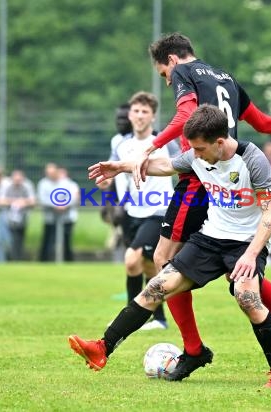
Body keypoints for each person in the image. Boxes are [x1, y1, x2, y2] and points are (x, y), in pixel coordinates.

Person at [72, 105, 271, 387]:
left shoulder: (252, 158)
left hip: (245, 243)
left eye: (200, 149)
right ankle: (102, 348)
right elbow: (166, 165)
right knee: (156, 286)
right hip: (209, 238)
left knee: (246, 296)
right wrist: (120, 168)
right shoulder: (198, 153)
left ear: (219, 141)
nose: (196, 155)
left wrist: (251, 255)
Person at [131, 32, 271, 379]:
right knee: (238, 271)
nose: (167, 81)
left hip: (199, 177)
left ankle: (192, 350)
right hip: (227, 176)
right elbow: (258, 119)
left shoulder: (182, 74)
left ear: (172, 60)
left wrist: (151, 147)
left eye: (163, 75)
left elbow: (185, 114)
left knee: (163, 260)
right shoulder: (225, 78)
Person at [100, 91, 177, 330]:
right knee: (143, 266)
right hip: (131, 212)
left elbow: (183, 165)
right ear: (130, 114)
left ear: (153, 116)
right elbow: (114, 170)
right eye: (136, 111)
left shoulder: (164, 142)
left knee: (132, 259)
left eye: (145, 111)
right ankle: (159, 319)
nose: (140, 115)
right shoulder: (119, 143)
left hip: (159, 210)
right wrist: (105, 183)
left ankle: (130, 317)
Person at [99, 103, 132, 260]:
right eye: (118, 119)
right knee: (129, 248)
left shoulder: (146, 141)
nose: (120, 122)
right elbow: (112, 174)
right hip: (122, 200)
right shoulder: (116, 141)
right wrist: (106, 201)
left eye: (124, 119)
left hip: (143, 201)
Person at [0, 170, 36, 261]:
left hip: (23, 218)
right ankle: (12, 258)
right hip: (9, 218)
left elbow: (33, 201)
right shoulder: (7, 187)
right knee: (11, 240)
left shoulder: (27, 186)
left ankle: (17, 258)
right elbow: (0, 200)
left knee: (20, 240)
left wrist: (24, 202)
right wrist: (14, 202)